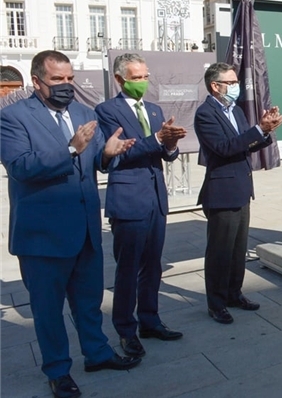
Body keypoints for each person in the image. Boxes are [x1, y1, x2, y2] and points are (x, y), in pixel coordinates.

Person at [0, 50, 140, 398]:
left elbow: (92, 165)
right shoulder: (12, 118)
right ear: (37, 82)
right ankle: (58, 370)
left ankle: (97, 353)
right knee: (48, 311)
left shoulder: (83, 112)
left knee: (89, 301)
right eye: (57, 80)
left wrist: (107, 153)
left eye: (70, 79)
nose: (66, 86)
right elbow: (21, 167)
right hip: (43, 236)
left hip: (86, 230)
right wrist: (71, 150)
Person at [95, 53, 187, 359]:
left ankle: (150, 320)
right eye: (137, 77)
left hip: (156, 199)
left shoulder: (154, 109)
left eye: (146, 76)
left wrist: (170, 145)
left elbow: (165, 153)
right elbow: (117, 156)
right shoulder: (106, 111)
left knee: (153, 266)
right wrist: (157, 139)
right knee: (128, 269)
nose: (143, 82)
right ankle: (126, 329)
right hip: (128, 199)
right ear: (120, 79)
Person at [194, 62, 282, 324]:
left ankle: (234, 293)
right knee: (220, 252)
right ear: (216, 86)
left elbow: (245, 145)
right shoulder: (206, 114)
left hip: (242, 189)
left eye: (236, 83)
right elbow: (224, 147)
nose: (236, 87)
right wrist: (259, 130)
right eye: (231, 83)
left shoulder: (237, 111)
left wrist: (264, 131)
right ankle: (217, 303)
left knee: (237, 250)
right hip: (221, 191)